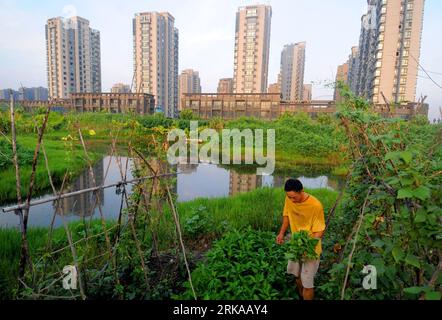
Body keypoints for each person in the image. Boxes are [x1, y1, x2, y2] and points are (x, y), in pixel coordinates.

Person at [276, 178, 326, 301]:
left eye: (294, 197)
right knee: (297, 276)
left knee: (307, 283)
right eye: (289, 197)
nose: (292, 200)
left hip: (310, 248)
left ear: (301, 191)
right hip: (295, 245)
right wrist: (281, 233)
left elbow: (319, 230)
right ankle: (300, 296)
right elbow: (286, 216)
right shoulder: (289, 199)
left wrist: (307, 247)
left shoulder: (315, 205)